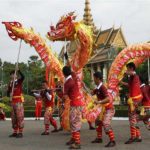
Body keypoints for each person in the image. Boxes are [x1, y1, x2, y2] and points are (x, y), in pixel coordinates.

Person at [91, 71, 116, 147]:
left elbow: (108, 99)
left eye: (94, 78)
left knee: (105, 123)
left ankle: (112, 141)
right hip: (103, 109)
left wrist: (99, 102)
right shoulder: (98, 88)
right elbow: (91, 93)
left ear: (98, 78)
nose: (93, 80)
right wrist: (83, 86)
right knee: (98, 122)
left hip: (109, 109)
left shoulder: (102, 87)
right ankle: (99, 138)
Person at [62, 66, 84, 149]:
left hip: (74, 104)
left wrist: (61, 99)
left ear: (63, 74)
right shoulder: (74, 77)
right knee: (73, 123)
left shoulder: (67, 83)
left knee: (74, 123)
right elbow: (71, 70)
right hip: (79, 103)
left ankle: (77, 143)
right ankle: (73, 139)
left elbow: (65, 96)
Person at [121, 62, 143, 144]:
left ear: (131, 68)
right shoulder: (132, 78)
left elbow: (132, 73)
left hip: (135, 101)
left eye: (128, 68)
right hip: (136, 100)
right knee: (135, 119)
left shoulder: (134, 75)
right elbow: (129, 85)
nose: (127, 69)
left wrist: (123, 72)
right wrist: (121, 82)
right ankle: (138, 136)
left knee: (131, 118)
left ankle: (133, 137)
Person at [7, 69, 25, 138]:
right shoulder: (10, 83)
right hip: (12, 102)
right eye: (12, 74)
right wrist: (9, 94)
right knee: (13, 117)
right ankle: (15, 132)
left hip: (18, 101)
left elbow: (23, 77)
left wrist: (19, 71)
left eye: (14, 74)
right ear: (10, 76)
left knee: (19, 116)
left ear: (16, 75)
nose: (13, 75)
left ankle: (20, 132)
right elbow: (8, 93)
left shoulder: (19, 81)